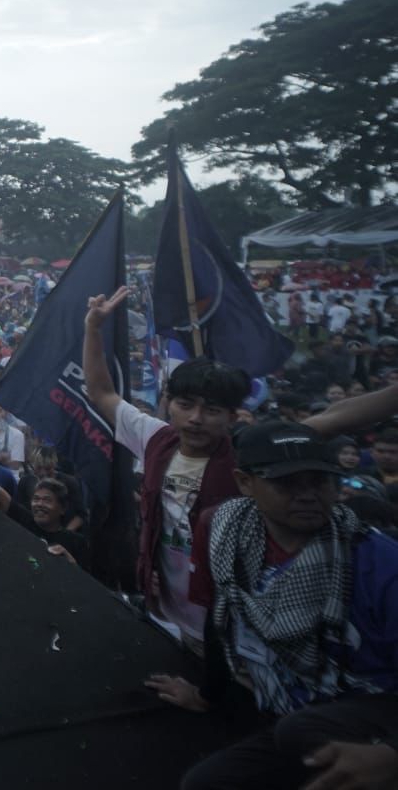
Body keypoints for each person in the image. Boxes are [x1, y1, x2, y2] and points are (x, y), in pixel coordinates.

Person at [146, 421, 398, 790]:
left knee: (301, 730)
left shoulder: (378, 563)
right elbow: (223, 623)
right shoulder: (225, 535)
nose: (308, 495)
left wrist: (391, 755)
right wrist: (205, 695)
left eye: (320, 481)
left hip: (373, 715)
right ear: (245, 482)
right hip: (292, 714)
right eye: (287, 483)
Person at [83, 286, 248, 650]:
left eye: (212, 410)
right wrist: (93, 328)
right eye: (186, 405)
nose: (196, 419)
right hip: (166, 606)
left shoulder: (249, 458)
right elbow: (100, 392)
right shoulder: (155, 438)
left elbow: (330, 421)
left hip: (226, 621)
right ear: (169, 403)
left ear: (233, 416)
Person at [26, 479, 89, 565]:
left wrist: (72, 565)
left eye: (47, 500)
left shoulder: (77, 542)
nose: (39, 504)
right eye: (36, 499)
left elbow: (85, 576)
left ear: (63, 508)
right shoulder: (23, 525)